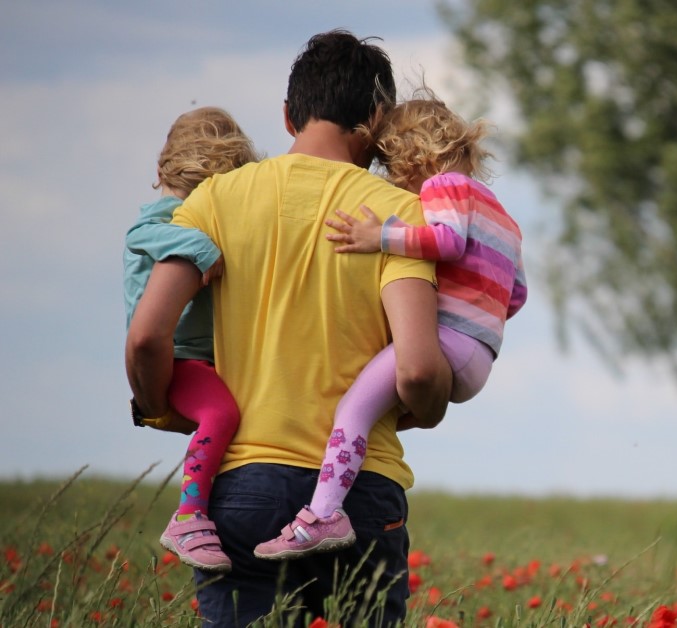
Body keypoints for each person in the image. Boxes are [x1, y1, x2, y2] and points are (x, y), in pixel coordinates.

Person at [125, 29, 452, 627]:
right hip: (361, 492)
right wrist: (424, 409)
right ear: (377, 118)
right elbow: (420, 368)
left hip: (242, 488)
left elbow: (148, 336)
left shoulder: (213, 201)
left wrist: (159, 407)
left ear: (286, 116)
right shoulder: (399, 215)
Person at [254, 92, 527, 560]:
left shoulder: (444, 188)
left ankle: (323, 515)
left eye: (391, 165)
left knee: (352, 410)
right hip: (481, 355)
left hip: (447, 341)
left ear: (414, 155)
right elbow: (516, 294)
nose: (392, 178)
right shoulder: (504, 216)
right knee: (376, 413)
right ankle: (337, 492)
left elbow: (446, 241)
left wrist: (378, 236)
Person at [123, 106, 258, 573]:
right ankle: (189, 515)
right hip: (178, 358)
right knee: (221, 413)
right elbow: (142, 233)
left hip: (202, 358)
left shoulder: (190, 213)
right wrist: (202, 247)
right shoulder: (165, 218)